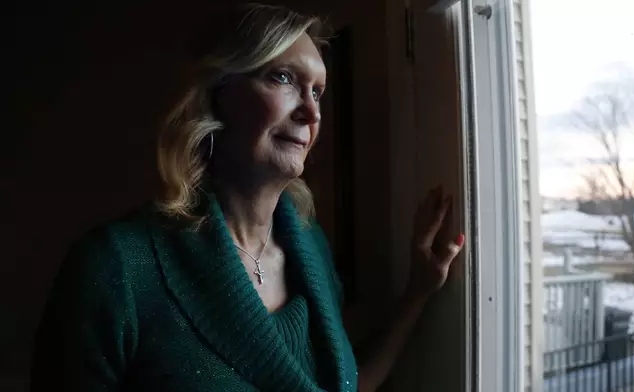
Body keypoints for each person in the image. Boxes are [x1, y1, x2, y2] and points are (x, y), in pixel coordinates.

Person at [30, 3, 465, 392]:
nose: (312, 112)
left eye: (318, 91)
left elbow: (346, 383)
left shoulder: (310, 247)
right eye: (283, 78)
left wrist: (419, 291)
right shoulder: (114, 267)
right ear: (217, 96)